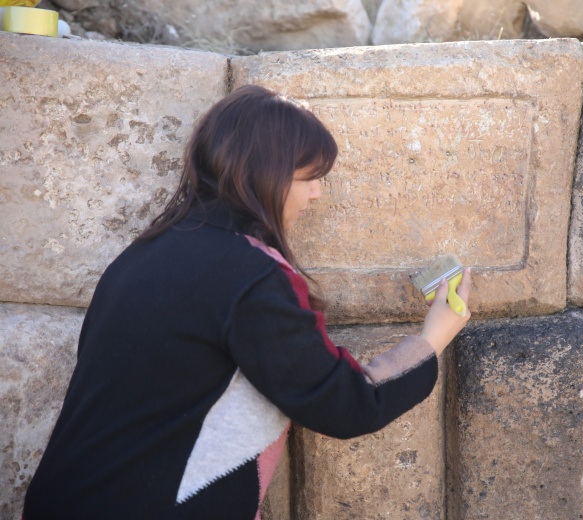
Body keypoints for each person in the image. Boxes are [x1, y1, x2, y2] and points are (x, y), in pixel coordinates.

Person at [23, 85, 471, 519]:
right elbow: (344, 403)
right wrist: (432, 338)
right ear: (266, 175)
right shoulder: (253, 276)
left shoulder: (143, 252)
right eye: (308, 178)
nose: (317, 194)